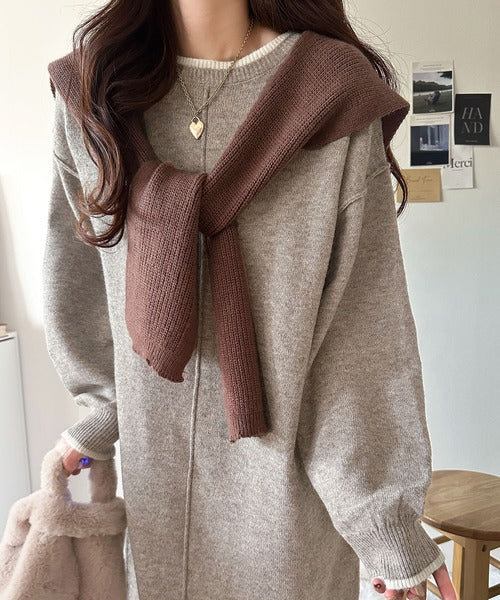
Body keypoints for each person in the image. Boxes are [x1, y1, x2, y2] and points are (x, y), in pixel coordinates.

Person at [43, 1, 458, 599]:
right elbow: (81, 282)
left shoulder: (330, 93)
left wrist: (384, 525)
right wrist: (102, 410)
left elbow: (359, 340)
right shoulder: (93, 96)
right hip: (156, 511)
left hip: (287, 522)